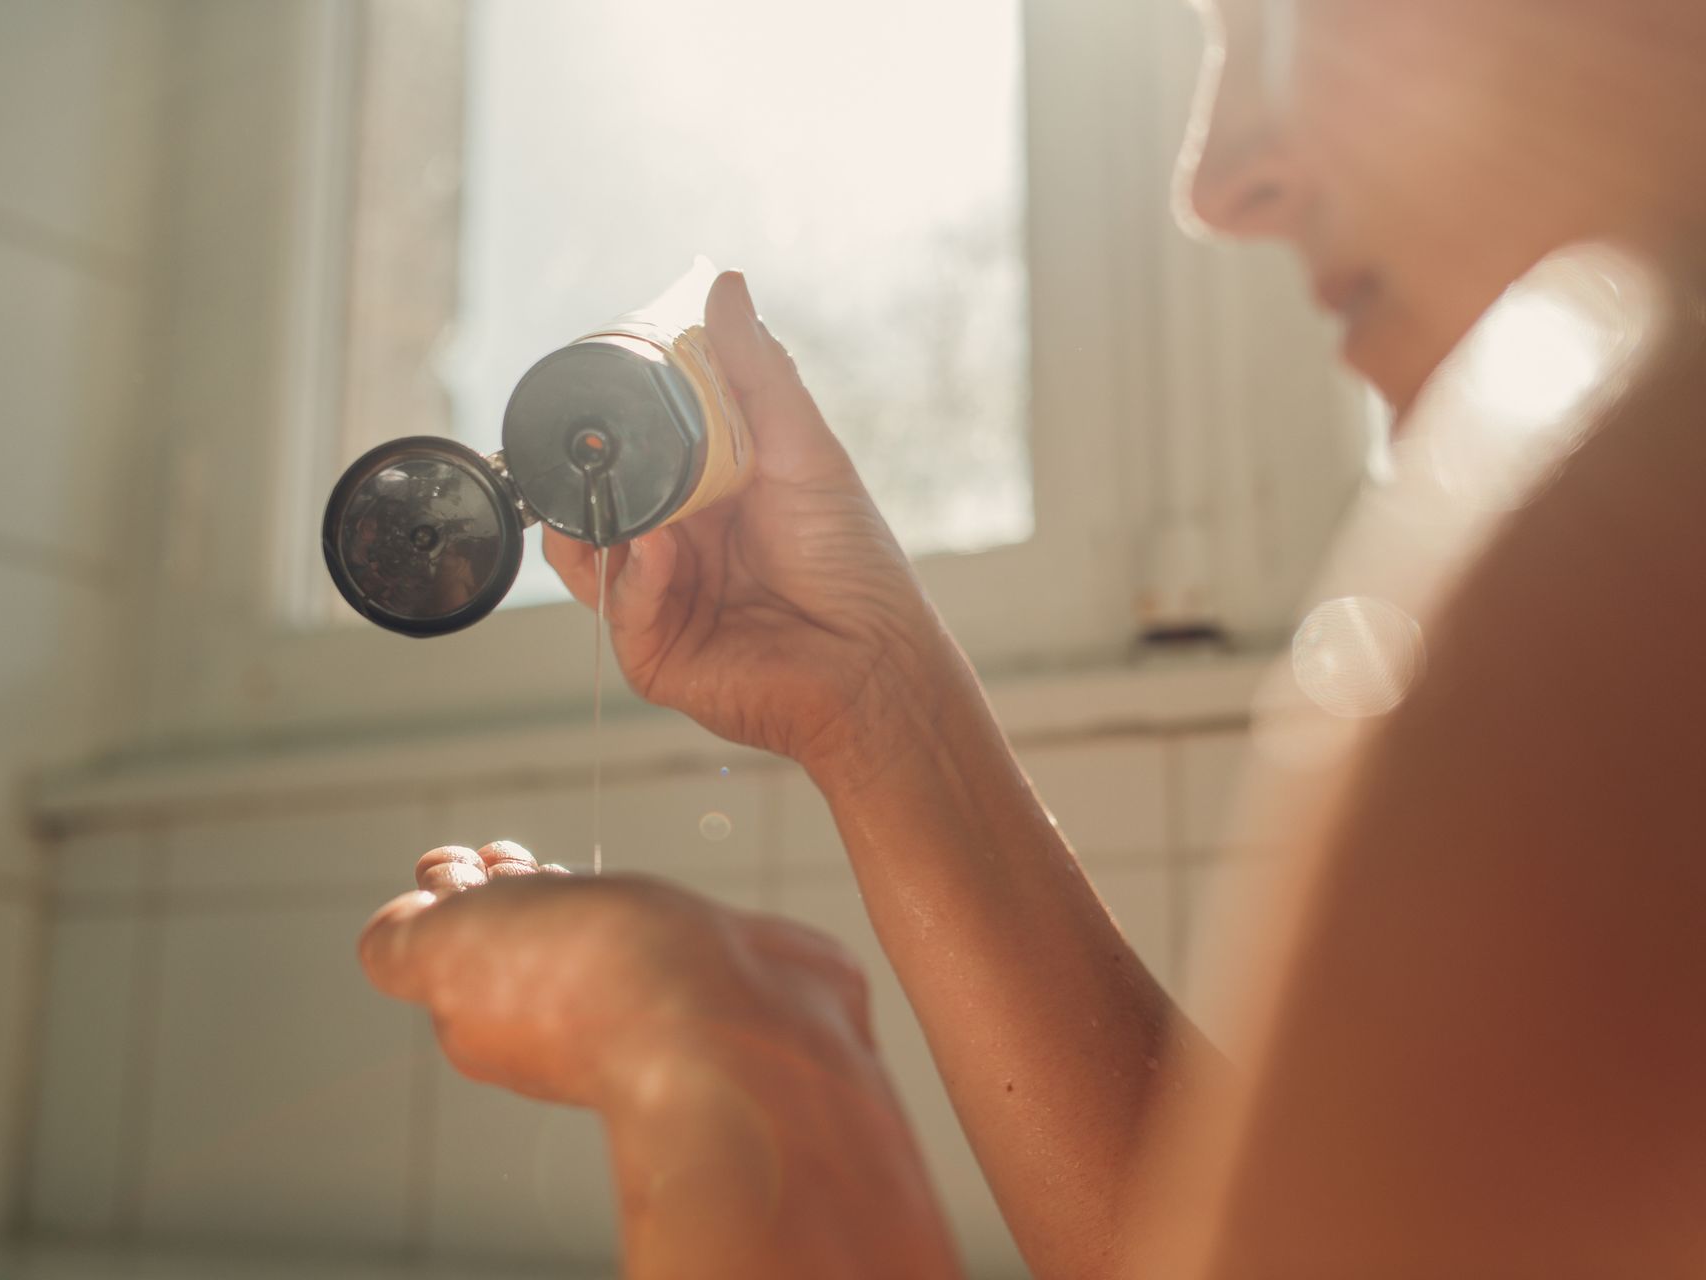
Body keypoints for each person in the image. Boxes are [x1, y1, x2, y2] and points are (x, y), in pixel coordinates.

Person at [357, 0, 1706, 1274]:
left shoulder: (1634, 485)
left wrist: (736, 1077)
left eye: (1283, 12)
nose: (1214, 179)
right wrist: (871, 698)